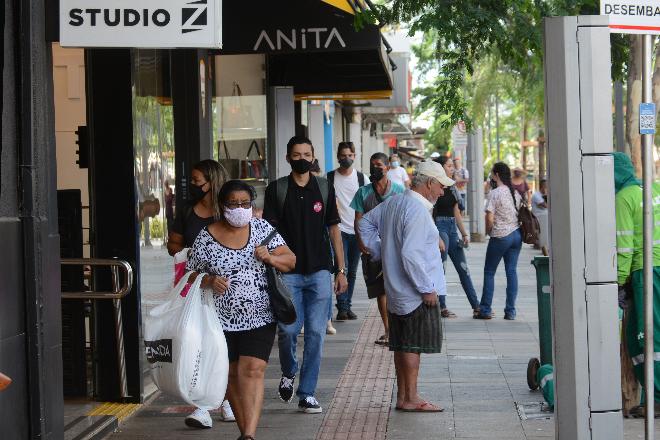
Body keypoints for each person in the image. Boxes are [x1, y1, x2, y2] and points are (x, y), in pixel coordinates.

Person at [186, 180, 296, 440]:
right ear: (222, 206)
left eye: (245, 203)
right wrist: (210, 280)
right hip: (219, 319)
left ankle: (249, 434)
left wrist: (270, 257)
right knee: (232, 373)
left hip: (260, 314)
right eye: (233, 204)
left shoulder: (261, 229)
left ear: (252, 204)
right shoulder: (206, 236)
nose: (239, 208)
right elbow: (189, 274)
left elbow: (290, 260)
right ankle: (244, 430)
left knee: (253, 369)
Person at [359, 160, 453, 412]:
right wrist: (426, 288)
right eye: (441, 186)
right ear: (430, 184)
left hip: (396, 287)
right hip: (413, 291)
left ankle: (404, 396)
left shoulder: (396, 201)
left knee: (401, 344)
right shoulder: (416, 208)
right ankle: (409, 397)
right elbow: (411, 253)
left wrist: (380, 251)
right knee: (411, 345)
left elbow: (365, 223)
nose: (442, 192)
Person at [263, 136, 348, 414]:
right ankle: (289, 371)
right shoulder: (277, 189)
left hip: (321, 272)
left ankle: (307, 392)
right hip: (288, 274)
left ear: (313, 157)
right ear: (288, 158)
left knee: (315, 333)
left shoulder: (324, 187)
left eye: (307, 154)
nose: (302, 158)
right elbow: (268, 232)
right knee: (287, 331)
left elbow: (334, 229)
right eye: (297, 154)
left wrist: (341, 269)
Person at [165, 159, 235, 428]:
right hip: (195, 288)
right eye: (192, 181)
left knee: (224, 347)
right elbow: (173, 245)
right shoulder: (186, 212)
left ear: (212, 181)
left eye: (197, 181)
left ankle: (226, 400)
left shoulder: (227, 212)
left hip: (226, 289)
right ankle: (202, 406)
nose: (193, 185)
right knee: (197, 347)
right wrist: (185, 252)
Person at [614, 152, 660, 417]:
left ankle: (655, 397)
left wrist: (618, 282)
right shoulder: (652, 188)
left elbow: (625, 247)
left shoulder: (624, 198)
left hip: (645, 271)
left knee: (641, 336)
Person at [351, 152, 405, 346]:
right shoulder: (363, 193)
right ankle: (389, 330)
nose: (375, 168)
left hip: (394, 248)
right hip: (372, 251)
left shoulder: (399, 191)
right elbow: (357, 221)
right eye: (372, 165)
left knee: (396, 289)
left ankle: (399, 329)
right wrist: (361, 243)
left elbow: (403, 219)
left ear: (388, 168)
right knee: (380, 291)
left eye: (379, 165)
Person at [432, 156, 480, 318]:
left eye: (452, 166)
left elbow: (456, 211)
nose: (452, 169)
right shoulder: (433, 185)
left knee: (464, 269)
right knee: (442, 269)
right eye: (449, 166)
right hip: (439, 228)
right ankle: (442, 307)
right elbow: (429, 212)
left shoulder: (452, 187)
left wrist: (464, 233)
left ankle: (476, 306)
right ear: (440, 167)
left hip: (452, 229)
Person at [475, 163, 523, 320]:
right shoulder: (514, 192)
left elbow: (489, 216)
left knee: (489, 272)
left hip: (500, 236)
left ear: (496, 175)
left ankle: (486, 309)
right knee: (511, 272)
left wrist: (489, 231)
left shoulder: (494, 193)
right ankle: (510, 311)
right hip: (516, 236)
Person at [327, 142, 366, 322]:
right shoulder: (330, 178)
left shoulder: (362, 178)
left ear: (354, 156)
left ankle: (347, 305)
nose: (346, 158)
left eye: (349, 155)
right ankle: (342, 307)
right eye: (343, 155)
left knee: (352, 271)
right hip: (339, 229)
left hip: (357, 230)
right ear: (337, 157)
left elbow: (368, 204)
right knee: (342, 268)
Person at [531, 179, 549, 254]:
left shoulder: (545, 195)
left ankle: (545, 245)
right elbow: (545, 205)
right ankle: (544, 246)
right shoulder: (536, 195)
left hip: (544, 215)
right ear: (542, 186)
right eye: (546, 186)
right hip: (539, 216)